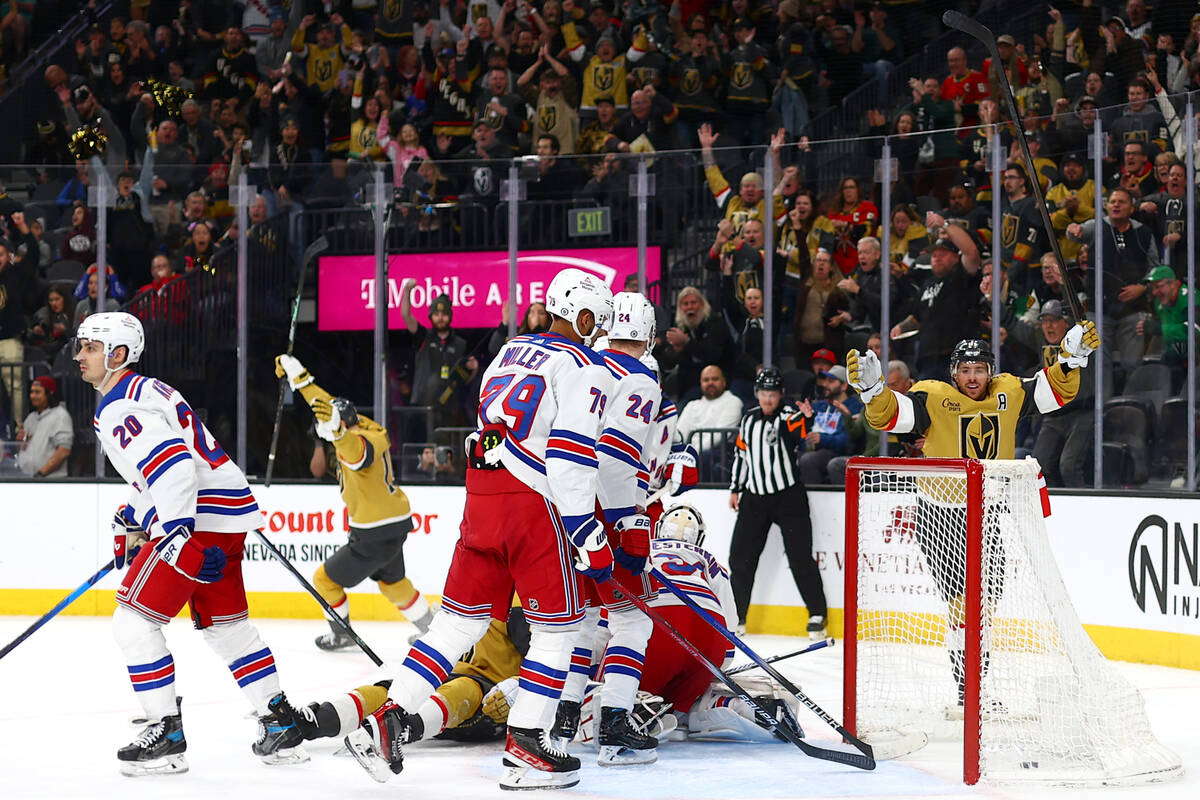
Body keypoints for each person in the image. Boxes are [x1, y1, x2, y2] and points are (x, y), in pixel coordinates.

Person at [340, 268, 615, 791]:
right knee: (558, 631)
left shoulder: (509, 349)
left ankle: (387, 720)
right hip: (533, 505)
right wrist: (588, 534)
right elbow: (570, 457)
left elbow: (490, 424)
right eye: (596, 322)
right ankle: (527, 747)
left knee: (454, 626)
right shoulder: (585, 365)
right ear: (581, 316)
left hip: (481, 495)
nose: (599, 332)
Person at [73, 312, 306, 774]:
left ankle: (166, 732)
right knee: (228, 628)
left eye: (91, 348)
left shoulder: (118, 406)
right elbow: (162, 469)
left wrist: (174, 533)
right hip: (225, 515)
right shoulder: (147, 390)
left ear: (118, 355)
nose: (80, 356)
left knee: (133, 623)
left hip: (195, 520)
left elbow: (173, 465)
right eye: (81, 347)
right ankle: (279, 722)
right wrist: (133, 513)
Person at [846, 329, 1098, 713]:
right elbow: (892, 415)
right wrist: (873, 392)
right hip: (939, 515)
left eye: (979, 369)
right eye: (965, 370)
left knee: (985, 606)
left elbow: (1054, 393)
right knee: (964, 607)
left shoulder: (1009, 392)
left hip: (986, 511)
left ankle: (973, 686)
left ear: (990, 371)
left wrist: (1069, 361)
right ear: (954, 374)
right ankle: (970, 690)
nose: (973, 377)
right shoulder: (933, 398)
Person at [552, 292, 663, 766]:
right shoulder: (643, 380)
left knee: (582, 617)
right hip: (603, 508)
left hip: (563, 504)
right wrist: (630, 518)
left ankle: (563, 720)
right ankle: (615, 728)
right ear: (649, 333)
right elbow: (616, 456)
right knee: (632, 619)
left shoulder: (583, 362)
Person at [273, 356, 433, 651]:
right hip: (395, 523)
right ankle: (432, 630)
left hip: (372, 531)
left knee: (325, 580)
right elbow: (330, 408)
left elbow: (356, 453)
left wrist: (337, 434)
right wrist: (302, 380)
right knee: (393, 583)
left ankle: (342, 633)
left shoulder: (354, 441)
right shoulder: (368, 426)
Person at [728, 367, 826, 638]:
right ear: (757, 394)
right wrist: (735, 489)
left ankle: (817, 614)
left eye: (772, 393)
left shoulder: (788, 416)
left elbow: (799, 428)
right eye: (763, 393)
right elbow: (741, 456)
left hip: (788, 497)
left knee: (800, 557)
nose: (768, 398)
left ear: (780, 394)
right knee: (740, 559)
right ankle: (737, 617)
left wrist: (808, 418)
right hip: (754, 498)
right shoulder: (748, 420)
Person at [676, 365, 744, 456]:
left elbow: (718, 436)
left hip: (717, 455)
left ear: (724, 382)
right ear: (701, 383)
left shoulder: (733, 401)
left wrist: (692, 453)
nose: (710, 383)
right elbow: (679, 434)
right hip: (690, 454)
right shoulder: (692, 405)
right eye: (706, 380)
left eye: (715, 379)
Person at [15, 376, 72, 478]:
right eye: (32, 392)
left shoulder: (60, 416)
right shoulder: (31, 418)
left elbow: (63, 451)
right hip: (27, 479)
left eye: (37, 392)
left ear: (50, 393)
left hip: (50, 481)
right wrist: (20, 443)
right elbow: (24, 449)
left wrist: (41, 474)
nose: (33, 396)